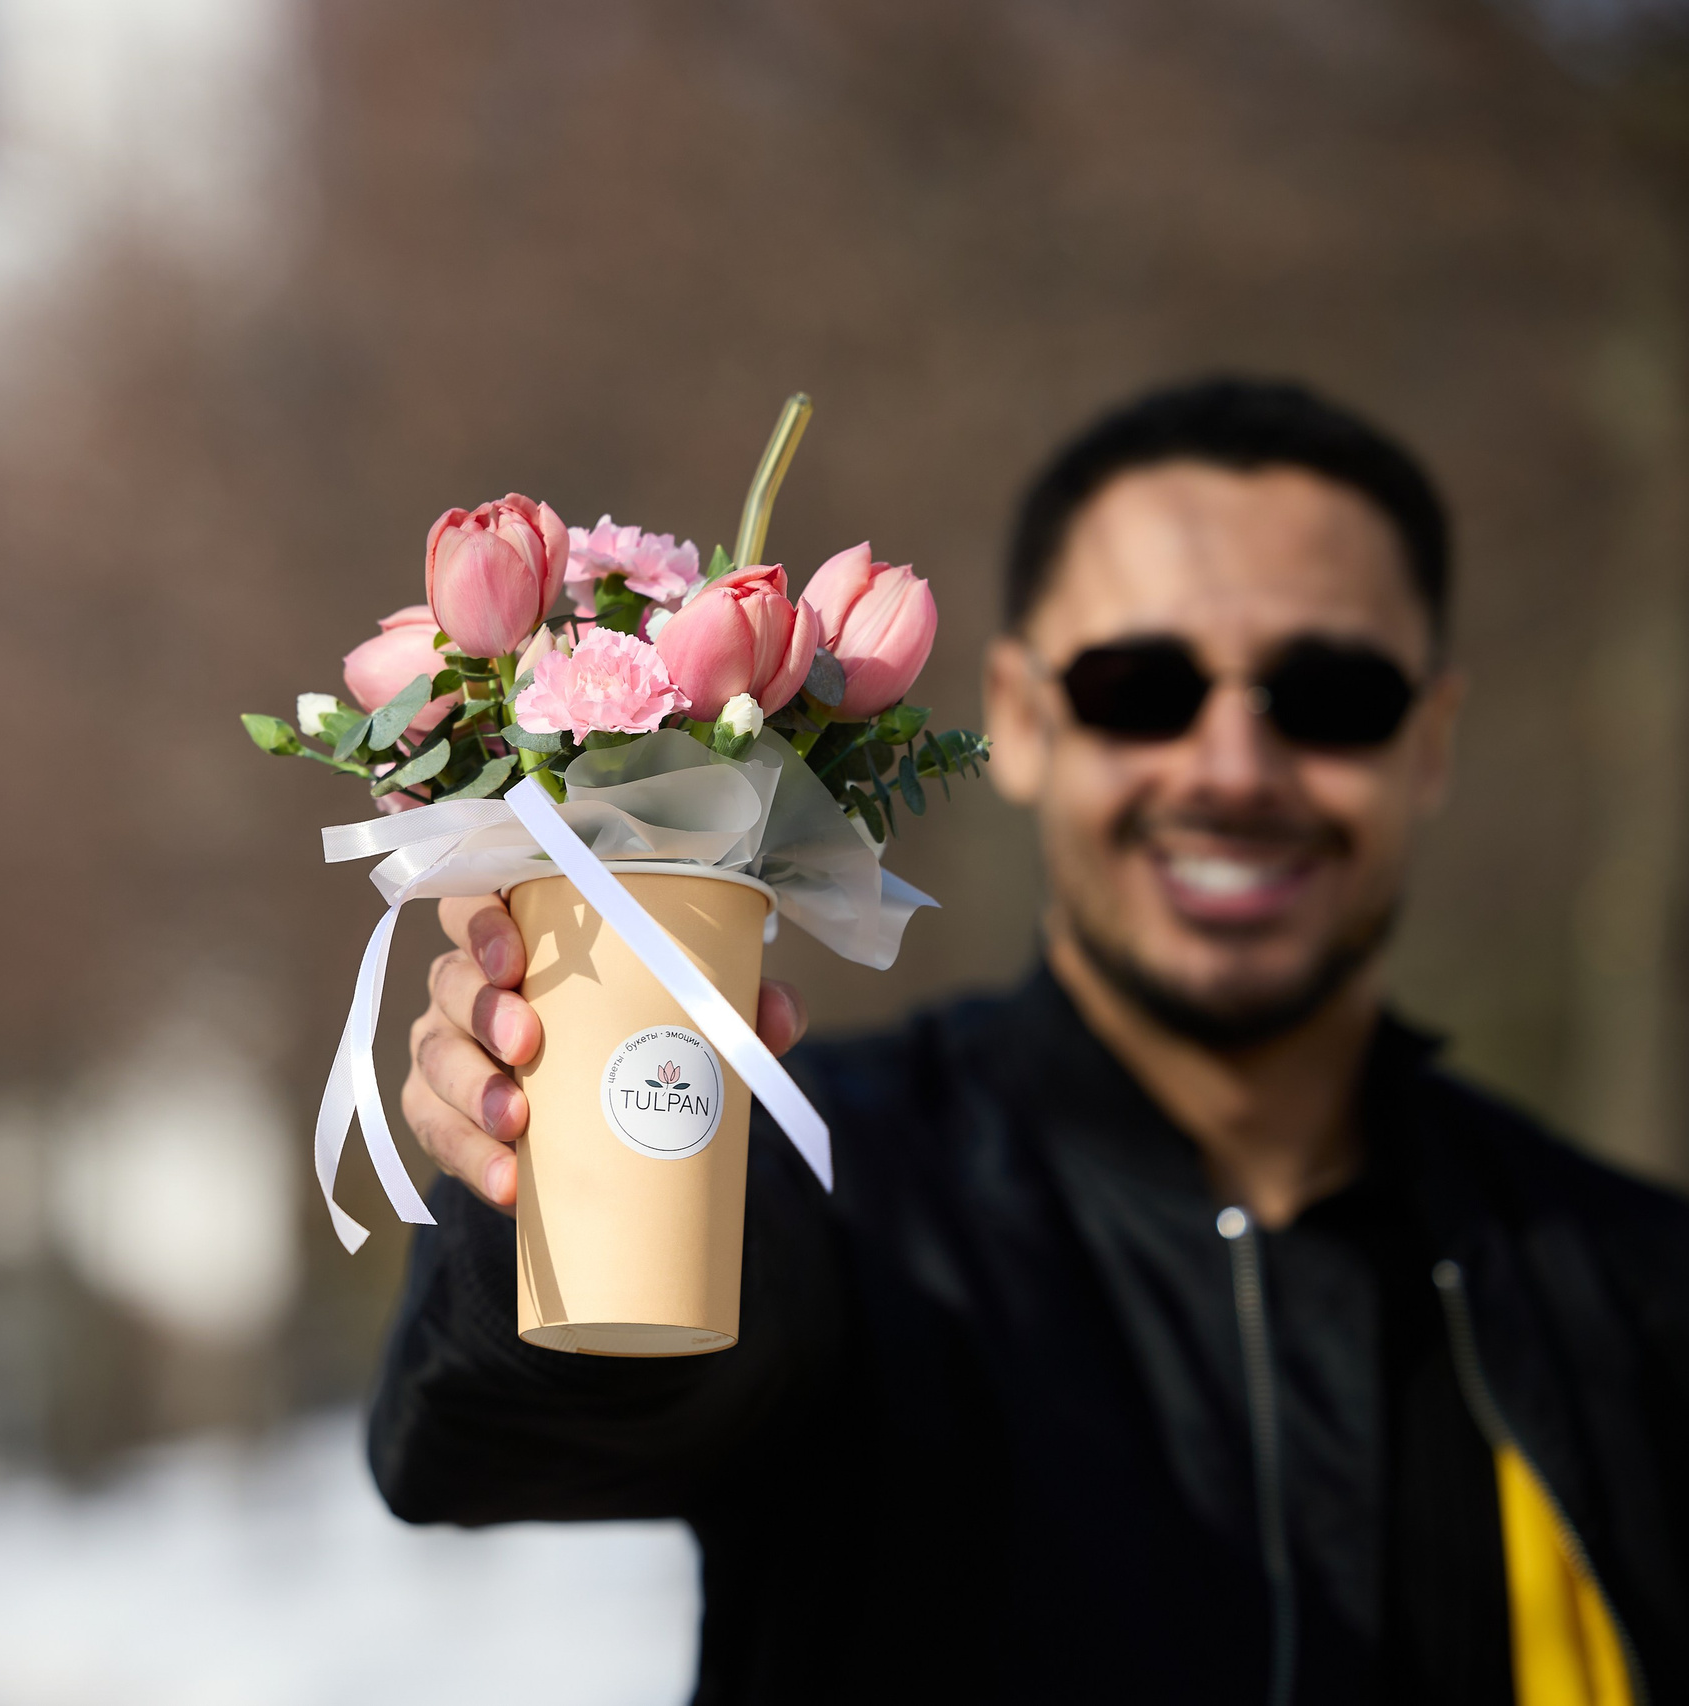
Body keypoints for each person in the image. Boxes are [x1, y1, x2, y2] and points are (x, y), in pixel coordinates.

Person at [367, 377, 1689, 1705]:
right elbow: (484, 1434)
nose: (1234, 767)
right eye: (1142, 686)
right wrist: (543, 1159)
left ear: (1433, 740)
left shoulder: (1630, 1289)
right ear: (1021, 716)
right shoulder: (835, 1182)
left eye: (1329, 692)